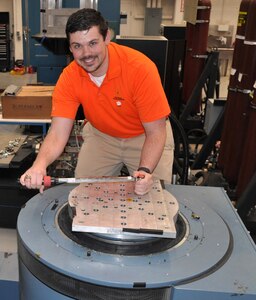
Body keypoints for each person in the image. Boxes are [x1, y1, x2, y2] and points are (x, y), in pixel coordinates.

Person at [20, 8, 174, 195]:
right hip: (103, 136)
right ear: (70, 47)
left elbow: (156, 132)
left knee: (155, 197)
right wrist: (39, 165)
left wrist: (145, 171)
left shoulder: (140, 69)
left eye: (93, 43)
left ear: (107, 37)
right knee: (84, 196)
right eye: (77, 46)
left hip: (144, 136)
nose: (86, 54)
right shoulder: (70, 77)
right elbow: (58, 132)